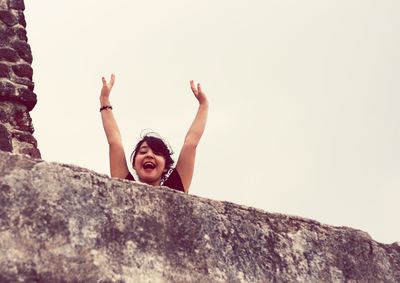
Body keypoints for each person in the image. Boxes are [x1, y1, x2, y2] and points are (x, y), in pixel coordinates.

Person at [99, 74, 208, 193]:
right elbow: (114, 141)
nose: (149, 155)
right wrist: (104, 98)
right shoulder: (125, 187)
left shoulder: (176, 188)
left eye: (157, 153)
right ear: (134, 165)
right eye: (143, 151)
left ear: (166, 167)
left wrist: (204, 104)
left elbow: (191, 143)